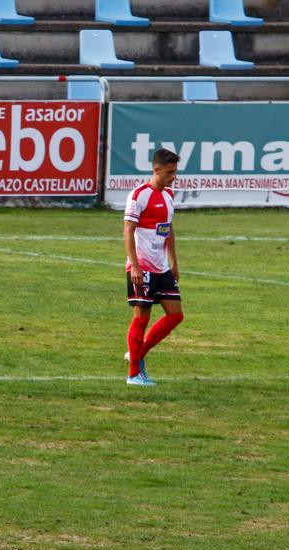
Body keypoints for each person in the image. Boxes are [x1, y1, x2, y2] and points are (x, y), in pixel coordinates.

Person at [123, 148, 183, 386]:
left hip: (161, 267)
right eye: (170, 172)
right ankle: (133, 375)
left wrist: (174, 262)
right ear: (156, 169)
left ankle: (137, 354)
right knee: (141, 318)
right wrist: (135, 267)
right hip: (142, 267)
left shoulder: (169, 195)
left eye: (175, 171)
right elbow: (128, 230)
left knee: (176, 315)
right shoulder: (139, 195)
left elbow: (168, 229)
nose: (173, 176)